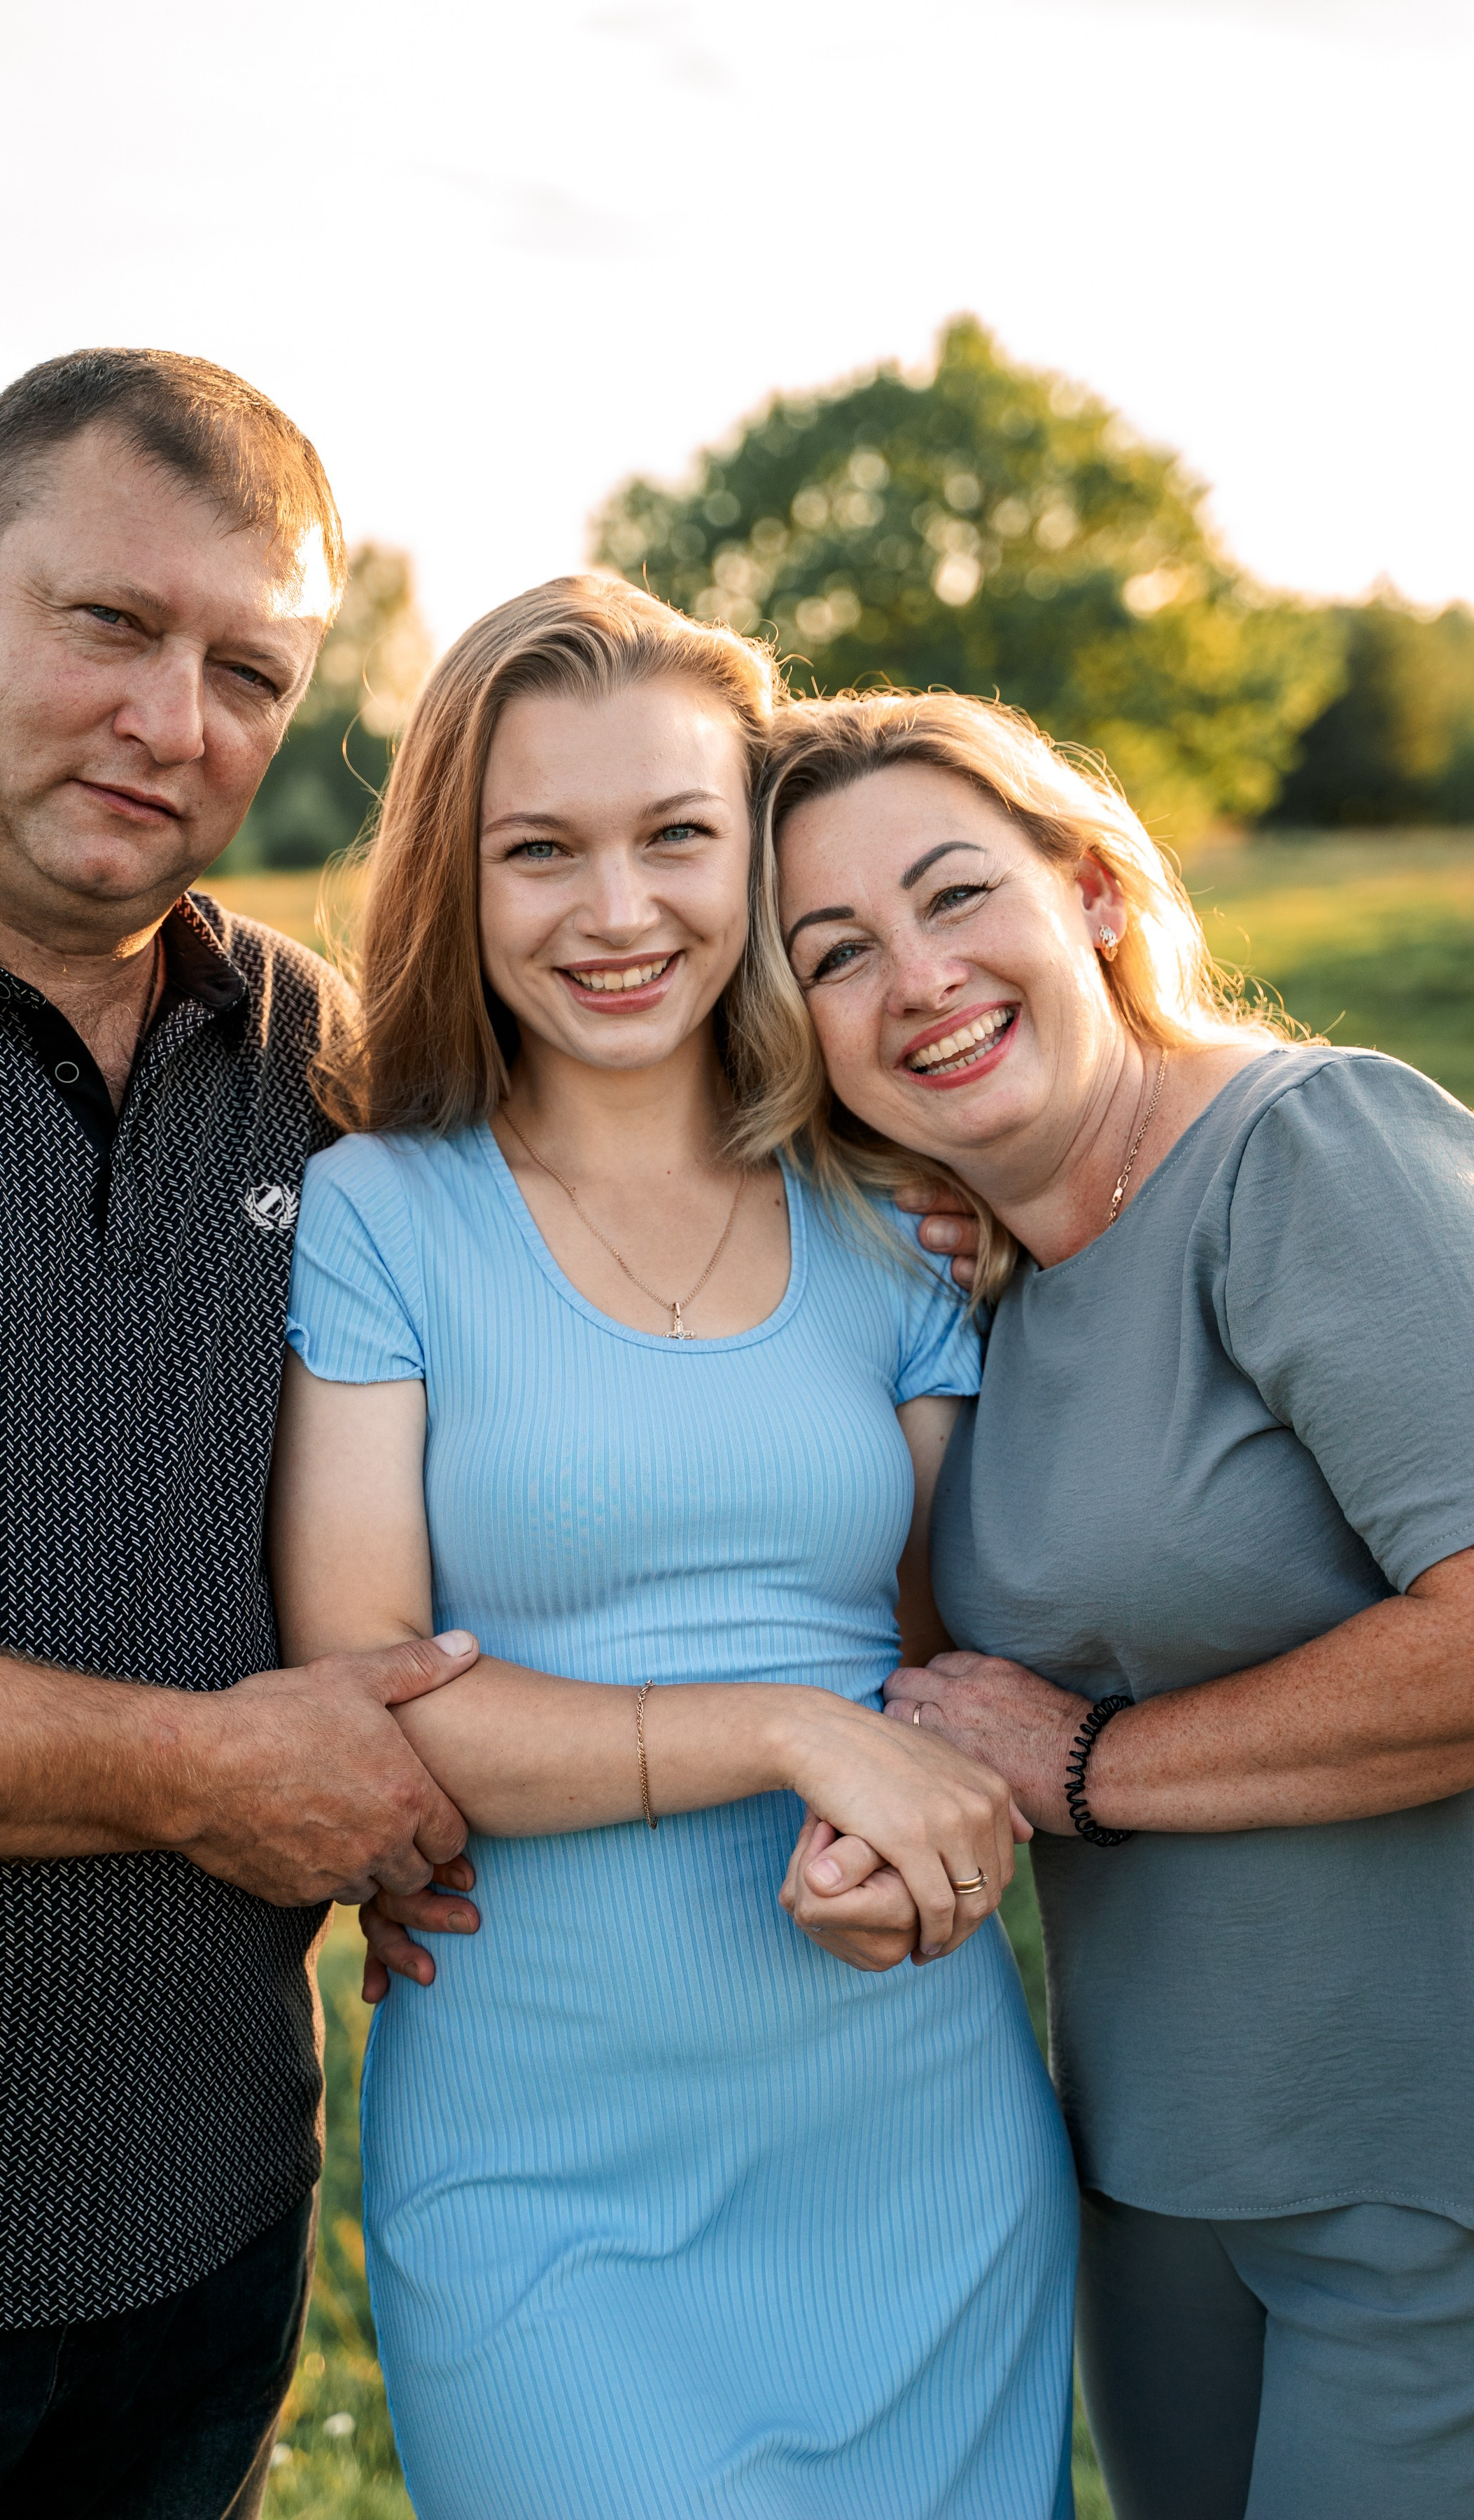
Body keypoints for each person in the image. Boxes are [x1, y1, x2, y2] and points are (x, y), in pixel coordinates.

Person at [267, 580, 1079, 2520]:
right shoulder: (383, 1214)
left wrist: (916, 1801)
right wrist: (797, 1736)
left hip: (913, 2127)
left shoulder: (896, 1216)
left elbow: (955, 1662)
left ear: (755, 849)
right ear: (456, 881)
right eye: (540, 849)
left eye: (678, 837)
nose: (617, 912)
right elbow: (373, 1704)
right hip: (545, 2159)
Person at [0, 349, 485, 2519]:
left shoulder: (305, 1046)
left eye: (247, 670)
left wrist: (919, 1180)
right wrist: (206, 1771)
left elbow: (606, 1256)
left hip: (206, 2232)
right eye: (111, 624)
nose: (174, 723)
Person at [764, 690, 1474, 2520]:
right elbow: (955, 1690)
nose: (915, 977)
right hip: (1149, 2173)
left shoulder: (1302, 1151)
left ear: (1087, 889)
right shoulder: (988, 1279)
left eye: (954, 896)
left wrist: (1091, 1765)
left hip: (1420, 2173)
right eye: (837, 953)